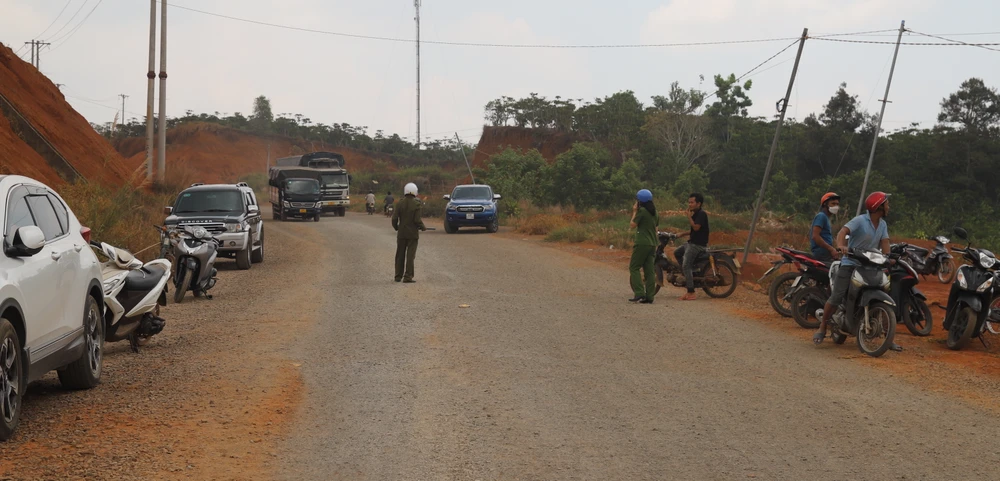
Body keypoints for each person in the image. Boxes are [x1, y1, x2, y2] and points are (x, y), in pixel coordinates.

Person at [814, 191, 891, 345]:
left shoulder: (882, 224)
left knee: (884, 290)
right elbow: (843, 232)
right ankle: (822, 327)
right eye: (887, 204)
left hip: (870, 265)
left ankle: (887, 334)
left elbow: (885, 243)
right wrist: (841, 245)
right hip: (851, 263)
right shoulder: (860, 220)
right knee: (837, 296)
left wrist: (888, 257)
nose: (889, 207)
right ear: (879, 207)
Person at [674, 193, 710, 301]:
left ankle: (691, 292)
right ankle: (690, 273)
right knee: (677, 252)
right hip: (692, 243)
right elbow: (694, 230)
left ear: (698, 204)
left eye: (692, 202)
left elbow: (696, 228)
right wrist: (682, 234)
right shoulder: (696, 214)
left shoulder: (701, 214)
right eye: (689, 202)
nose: (689, 204)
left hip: (697, 245)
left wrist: (689, 217)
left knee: (686, 265)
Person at [628, 189, 659, 304]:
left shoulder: (642, 211)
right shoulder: (655, 212)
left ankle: (639, 292)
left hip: (642, 243)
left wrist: (634, 211)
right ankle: (650, 296)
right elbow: (656, 229)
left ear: (639, 201)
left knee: (634, 267)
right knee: (649, 270)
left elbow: (632, 225)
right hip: (652, 243)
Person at [391, 182, 426, 283]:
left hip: (401, 233)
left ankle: (398, 276)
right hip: (412, 234)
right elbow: (417, 220)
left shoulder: (399, 203)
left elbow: (394, 218)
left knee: (400, 255)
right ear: (415, 192)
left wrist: (396, 227)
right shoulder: (417, 204)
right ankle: (408, 277)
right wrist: (423, 227)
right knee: (410, 256)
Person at [810, 192, 841, 262]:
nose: (836, 206)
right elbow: (815, 236)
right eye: (833, 204)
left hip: (825, 253)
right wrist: (831, 249)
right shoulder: (821, 216)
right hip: (821, 253)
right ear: (825, 204)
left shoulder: (826, 218)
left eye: (837, 204)